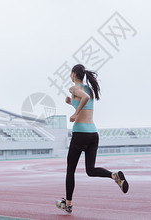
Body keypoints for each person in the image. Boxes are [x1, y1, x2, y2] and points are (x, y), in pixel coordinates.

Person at [56, 64, 129, 214]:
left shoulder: (74, 88)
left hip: (80, 134)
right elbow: (86, 102)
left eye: (71, 73)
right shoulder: (88, 89)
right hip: (93, 135)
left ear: (73, 74)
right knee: (90, 170)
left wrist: (75, 113)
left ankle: (68, 204)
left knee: (70, 170)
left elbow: (85, 98)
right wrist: (71, 103)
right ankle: (114, 176)